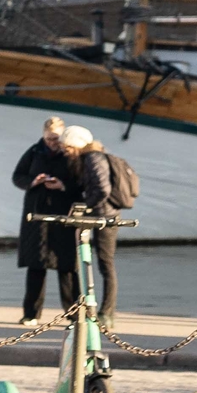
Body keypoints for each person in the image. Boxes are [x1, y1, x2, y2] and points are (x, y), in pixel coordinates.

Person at [12, 117, 77, 322]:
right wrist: (34, 182)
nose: (52, 143)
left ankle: (74, 314)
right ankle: (31, 314)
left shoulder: (70, 154)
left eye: (56, 139)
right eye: (49, 139)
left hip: (62, 213)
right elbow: (18, 176)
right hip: (37, 213)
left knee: (66, 266)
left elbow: (79, 182)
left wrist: (63, 185)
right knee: (36, 265)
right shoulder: (34, 152)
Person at [64, 124, 124, 323]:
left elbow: (102, 189)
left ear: (78, 145)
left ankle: (107, 313)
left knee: (106, 264)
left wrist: (87, 206)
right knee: (99, 262)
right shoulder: (88, 158)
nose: (67, 151)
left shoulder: (93, 158)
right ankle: (100, 310)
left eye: (69, 147)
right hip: (101, 215)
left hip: (105, 217)